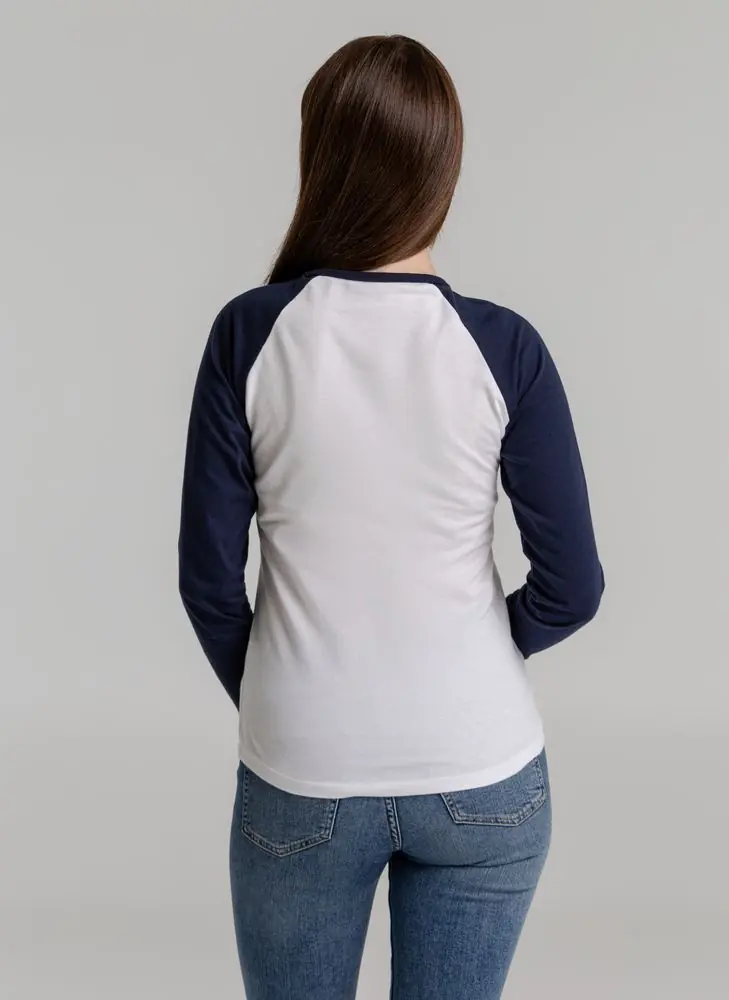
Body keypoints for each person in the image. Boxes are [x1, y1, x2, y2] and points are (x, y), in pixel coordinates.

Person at [178, 33, 603, 1000]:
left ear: (318, 159)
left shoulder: (250, 333)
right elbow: (574, 587)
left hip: (303, 768)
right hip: (483, 769)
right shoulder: (504, 348)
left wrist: (286, 695)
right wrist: (483, 644)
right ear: (445, 169)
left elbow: (207, 583)